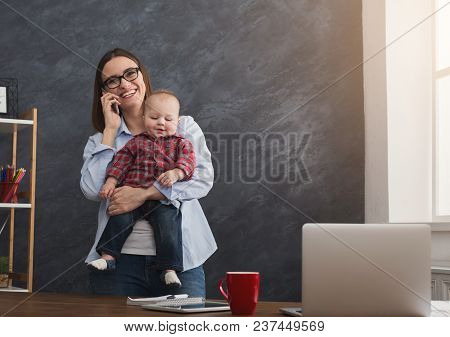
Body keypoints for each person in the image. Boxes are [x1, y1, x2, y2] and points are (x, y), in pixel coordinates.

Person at [80, 48, 217, 297]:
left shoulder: (183, 126)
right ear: (105, 93)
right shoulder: (101, 141)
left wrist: (144, 194)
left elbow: (203, 179)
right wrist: (110, 130)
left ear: (142, 76)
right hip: (118, 267)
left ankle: (168, 266)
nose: (124, 84)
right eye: (113, 80)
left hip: (182, 261)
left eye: (130, 73)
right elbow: (92, 190)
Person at [89, 90, 196, 289]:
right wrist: (111, 182)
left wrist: (176, 173)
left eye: (168, 119)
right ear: (144, 117)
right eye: (154, 117)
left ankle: (169, 268)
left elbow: (188, 164)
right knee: (118, 218)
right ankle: (108, 256)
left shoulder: (181, 143)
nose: (161, 123)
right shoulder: (136, 142)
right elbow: (120, 163)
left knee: (168, 225)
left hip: (161, 199)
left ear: (177, 120)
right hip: (130, 192)